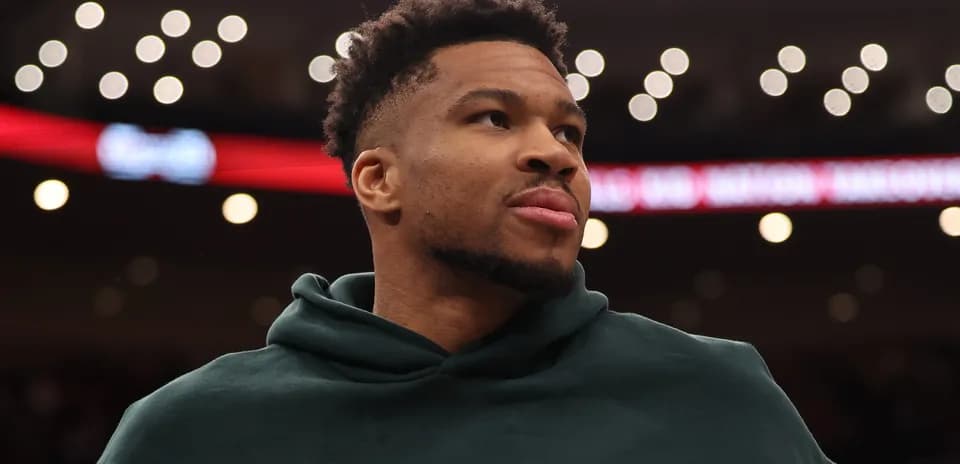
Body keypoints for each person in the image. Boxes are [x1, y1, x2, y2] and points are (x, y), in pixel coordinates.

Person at [99, 0, 834, 462]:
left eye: (571, 131)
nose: (557, 153)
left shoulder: (715, 396)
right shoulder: (191, 432)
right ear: (378, 179)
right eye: (494, 117)